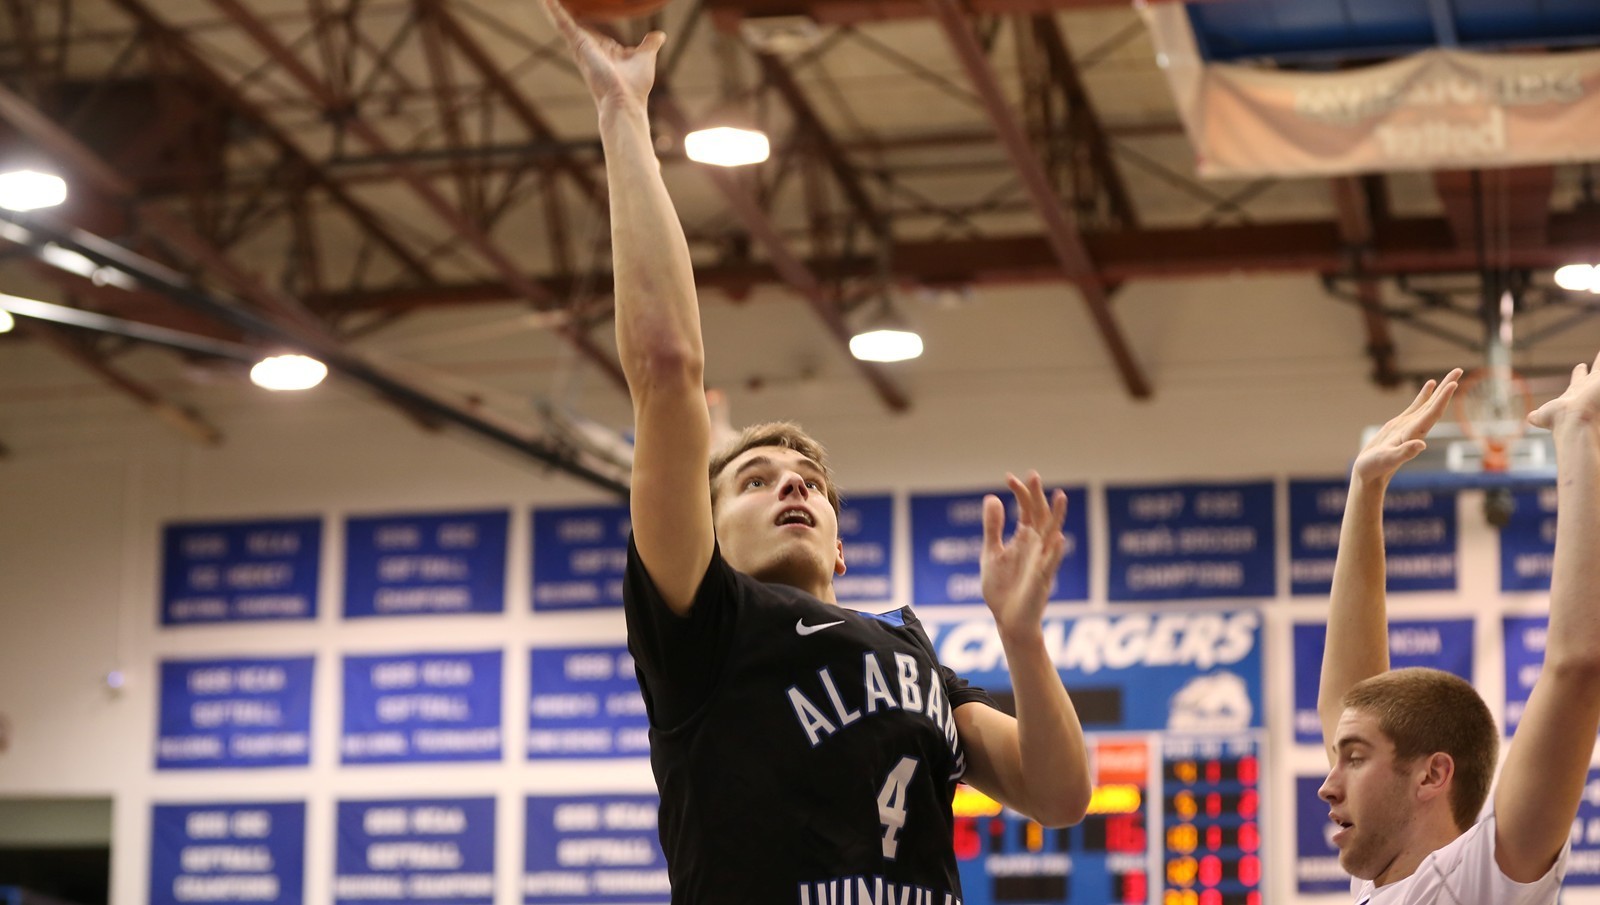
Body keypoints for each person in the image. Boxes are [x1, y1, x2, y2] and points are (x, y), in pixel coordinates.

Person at [537, 3, 1093, 903]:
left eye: (809, 483)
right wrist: (621, 112)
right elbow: (670, 369)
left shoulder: (910, 652)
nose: (790, 486)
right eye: (753, 481)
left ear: (838, 542)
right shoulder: (704, 626)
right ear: (704, 532)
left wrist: (1023, 639)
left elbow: (1062, 795)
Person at [1319, 361, 1600, 903]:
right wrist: (1365, 487)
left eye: (1354, 758)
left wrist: (1579, 429)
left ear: (1431, 776)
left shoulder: (1483, 878)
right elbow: (1347, 697)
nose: (1328, 785)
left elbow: (1577, 667)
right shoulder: (1378, 875)